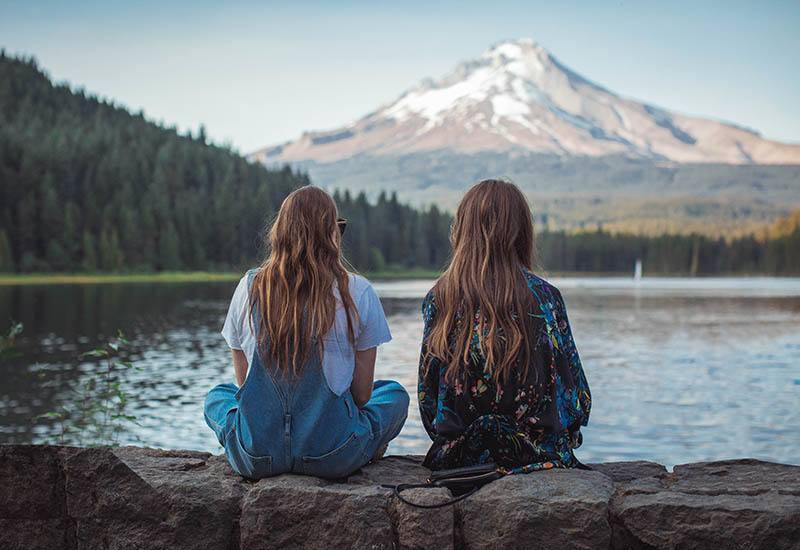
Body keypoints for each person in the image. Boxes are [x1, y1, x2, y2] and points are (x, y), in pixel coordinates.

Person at [204, 186, 409, 480]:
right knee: (393, 394)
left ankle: (241, 444)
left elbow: (244, 387)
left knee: (218, 396)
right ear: (332, 234)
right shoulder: (358, 290)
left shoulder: (249, 287)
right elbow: (362, 396)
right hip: (332, 455)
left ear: (280, 232)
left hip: (258, 456)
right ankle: (366, 443)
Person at [417, 179, 591, 473]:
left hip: (460, 459)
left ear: (462, 230)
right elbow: (577, 399)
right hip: (536, 455)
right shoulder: (546, 298)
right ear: (522, 233)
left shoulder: (439, 298)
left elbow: (428, 400)